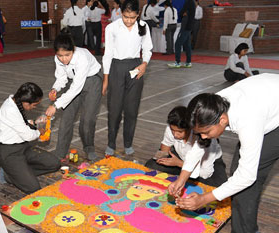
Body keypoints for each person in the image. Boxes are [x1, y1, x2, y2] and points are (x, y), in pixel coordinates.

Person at [169, 73, 279, 233]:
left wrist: (205, 199)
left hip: (272, 114)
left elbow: (247, 177)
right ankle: (247, 231)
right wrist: (182, 178)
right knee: (239, 173)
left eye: (206, 132)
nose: (203, 137)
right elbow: (199, 143)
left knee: (246, 177)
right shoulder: (212, 107)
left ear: (222, 121)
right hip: (268, 99)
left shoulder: (248, 120)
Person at [102, 0, 152, 156]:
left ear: (138, 14)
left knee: (131, 109)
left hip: (135, 68)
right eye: (125, 17)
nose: (129, 21)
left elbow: (148, 48)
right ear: (120, 13)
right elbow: (108, 53)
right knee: (115, 109)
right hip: (117, 68)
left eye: (132, 17)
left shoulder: (143, 27)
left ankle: (128, 143)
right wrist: (106, 78)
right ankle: (111, 143)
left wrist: (144, 63)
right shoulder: (112, 28)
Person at [45, 31, 102, 161]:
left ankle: (89, 148)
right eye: (60, 55)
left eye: (67, 55)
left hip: (92, 81)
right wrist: (55, 88)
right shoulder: (58, 58)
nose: (63, 59)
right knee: (66, 119)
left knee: (87, 120)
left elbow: (77, 86)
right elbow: (61, 77)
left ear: (73, 49)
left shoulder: (82, 57)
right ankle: (60, 152)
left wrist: (55, 105)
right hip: (73, 82)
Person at [0, 82, 61, 194]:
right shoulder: (10, 110)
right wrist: (40, 131)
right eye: (34, 105)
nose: (33, 108)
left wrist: (35, 122)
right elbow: (29, 135)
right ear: (26, 102)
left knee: (54, 163)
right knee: (33, 188)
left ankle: (19, 173)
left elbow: (21, 123)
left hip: (23, 147)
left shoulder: (15, 101)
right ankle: (8, 175)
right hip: (9, 152)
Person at [145, 106, 227, 187]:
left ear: (190, 128)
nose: (175, 134)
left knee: (219, 186)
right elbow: (165, 146)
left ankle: (183, 175)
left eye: (180, 132)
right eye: (172, 130)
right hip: (180, 158)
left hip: (206, 164)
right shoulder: (172, 128)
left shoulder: (205, 138)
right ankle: (184, 175)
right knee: (151, 166)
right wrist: (161, 159)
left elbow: (205, 173)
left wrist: (179, 164)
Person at [167, 0, 195, 68]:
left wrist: (183, 13)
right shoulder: (192, 2)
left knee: (177, 44)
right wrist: (183, 13)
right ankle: (188, 62)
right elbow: (183, 13)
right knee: (187, 45)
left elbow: (181, 12)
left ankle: (177, 62)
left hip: (185, 27)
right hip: (189, 26)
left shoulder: (188, 2)